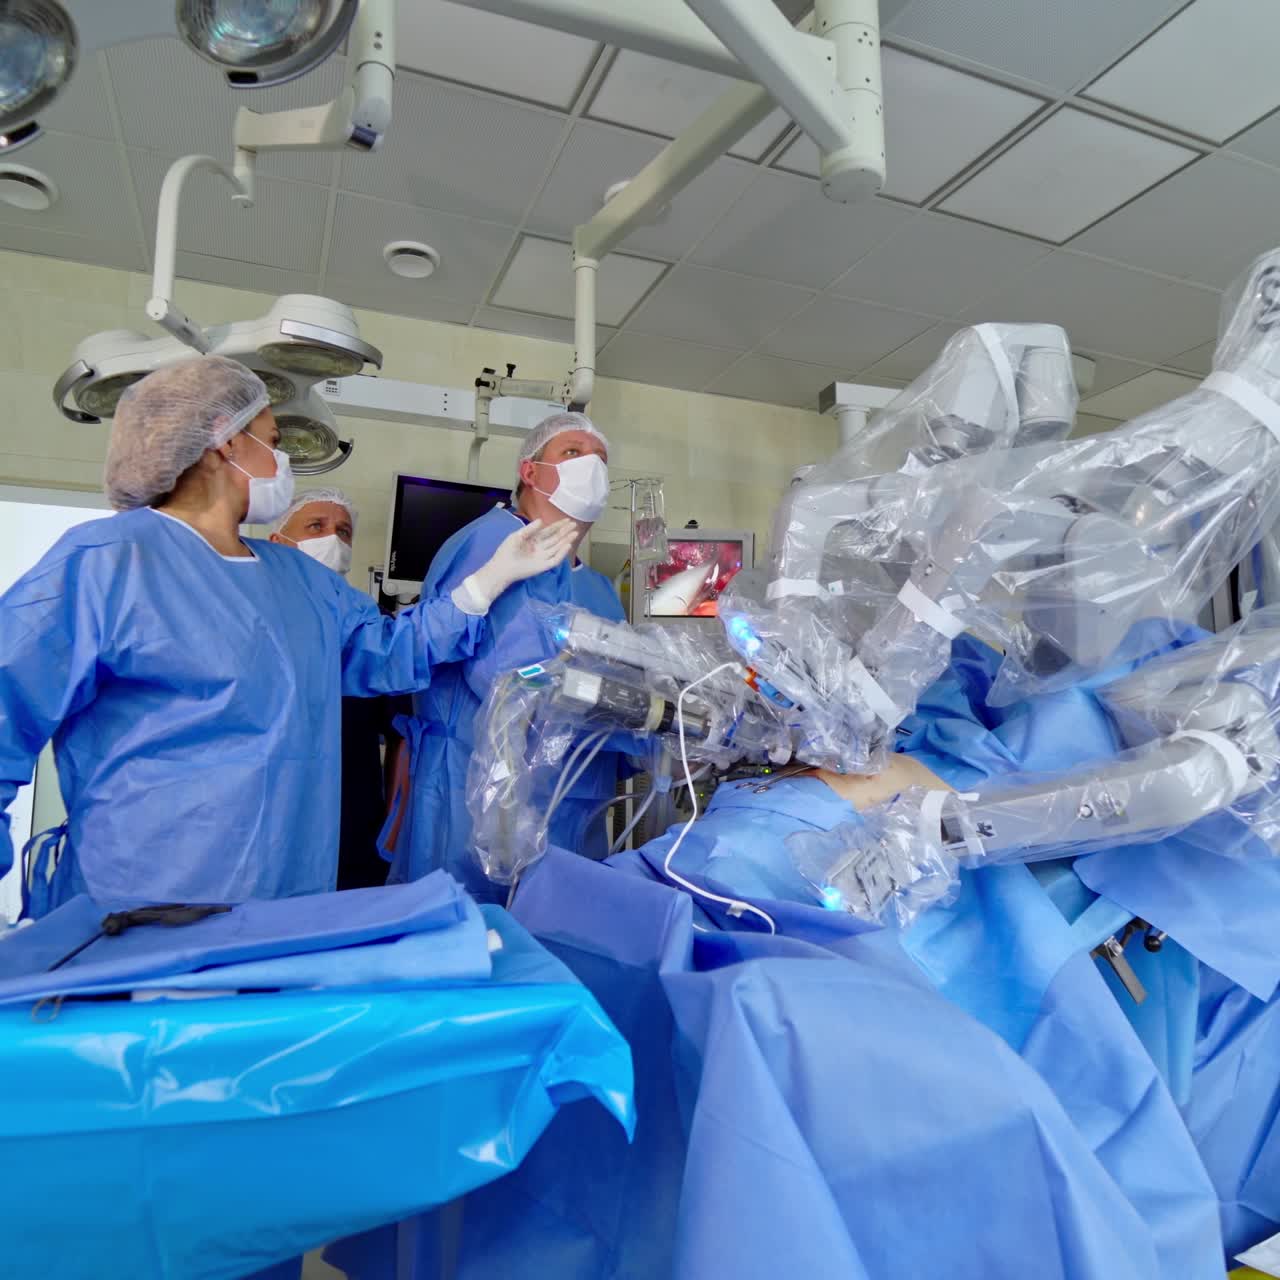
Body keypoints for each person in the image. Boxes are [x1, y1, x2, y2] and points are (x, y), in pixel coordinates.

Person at [0, 356, 577, 914]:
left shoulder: (302, 581)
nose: (282, 460)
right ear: (226, 440)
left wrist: (488, 581)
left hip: (290, 900)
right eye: (273, 441)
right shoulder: (105, 561)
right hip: (137, 905)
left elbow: (390, 652)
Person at [387, 411, 626, 896]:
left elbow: (622, 703)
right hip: (477, 795)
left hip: (576, 804)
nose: (592, 467)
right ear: (530, 471)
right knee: (473, 929)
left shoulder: (600, 589)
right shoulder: (491, 542)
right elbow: (512, 679)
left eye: (601, 459)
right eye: (573, 452)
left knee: (563, 928)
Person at [269, 488, 407, 890]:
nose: (333, 538)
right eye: (316, 526)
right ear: (278, 542)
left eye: (343, 531)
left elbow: (401, 734)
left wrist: (393, 828)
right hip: (270, 817)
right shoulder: (254, 619)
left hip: (353, 818)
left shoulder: (371, 626)